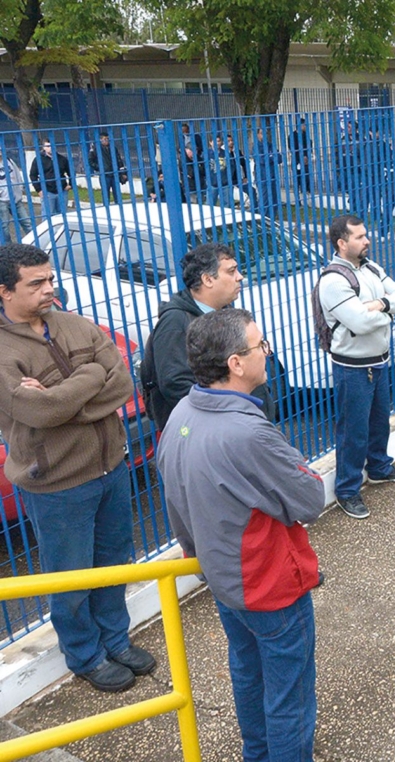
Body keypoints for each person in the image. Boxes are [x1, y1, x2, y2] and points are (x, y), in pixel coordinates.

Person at [157, 308, 325, 761]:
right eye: (259, 346)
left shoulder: (180, 415)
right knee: (289, 696)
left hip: (224, 577)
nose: (266, 353)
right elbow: (310, 498)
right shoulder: (248, 432)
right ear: (235, 362)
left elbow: (177, 499)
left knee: (249, 674)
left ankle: (258, 754)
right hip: (269, 583)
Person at [0, 243, 156, 693]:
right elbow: (40, 414)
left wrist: (62, 395)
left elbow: (123, 381)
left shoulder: (73, 323)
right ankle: (85, 655)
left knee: (113, 563)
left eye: (50, 279)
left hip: (111, 468)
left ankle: (116, 639)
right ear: (5, 291)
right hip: (57, 484)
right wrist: (91, 377)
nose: (51, 288)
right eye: (37, 283)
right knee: (71, 577)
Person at [317, 214, 395, 520]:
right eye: (359, 237)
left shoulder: (371, 267)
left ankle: (378, 467)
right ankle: (347, 489)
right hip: (352, 367)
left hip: (378, 359)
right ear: (341, 243)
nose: (367, 240)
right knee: (353, 430)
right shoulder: (333, 280)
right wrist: (388, 309)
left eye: (366, 235)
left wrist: (380, 305)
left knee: (378, 422)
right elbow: (358, 322)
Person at [141, 243, 275, 431]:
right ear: (208, 279)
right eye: (231, 271)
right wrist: (223, 417)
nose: (240, 277)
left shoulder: (224, 312)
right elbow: (175, 383)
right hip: (214, 430)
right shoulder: (175, 322)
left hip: (244, 423)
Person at [28, 139, 72, 217]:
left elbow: (71, 172)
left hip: (62, 191)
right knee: (47, 216)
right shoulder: (38, 159)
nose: (50, 148)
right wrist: (39, 190)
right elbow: (33, 175)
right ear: (44, 147)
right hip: (47, 191)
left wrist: (70, 185)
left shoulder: (62, 159)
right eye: (48, 146)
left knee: (62, 216)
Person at [0, 152, 34, 244]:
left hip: (15, 199)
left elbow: (17, 174)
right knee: (4, 226)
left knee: (27, 222)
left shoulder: (8, 160)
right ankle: (7, 247)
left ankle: (35, 242)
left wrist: (20, 187)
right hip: (2, 200)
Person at [87, 132, 126, 204]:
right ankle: (106, 207)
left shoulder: (113, 148)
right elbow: (90, 161)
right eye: (105, 139)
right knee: (105, 194)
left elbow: (119, 160)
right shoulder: (96, 149)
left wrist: (122, 172)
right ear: (100, 139)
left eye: (108, 139)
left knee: (117, 193)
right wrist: (99, 167)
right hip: (104, 174)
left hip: (114, 173)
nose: (107, 140)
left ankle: (118, 206)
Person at [291, 118, 312, 194]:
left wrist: (306, 156)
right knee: (297, 177)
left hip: (306, 160)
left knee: (307, 176)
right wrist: (301, 157)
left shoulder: (305, 135)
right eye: (304, 125)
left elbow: (309, 145)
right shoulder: (292, 136)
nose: (306, 126)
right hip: (297, 160)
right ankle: (298, 196)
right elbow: (293, 149)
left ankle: (307, 191)